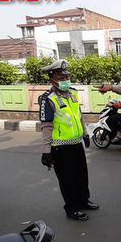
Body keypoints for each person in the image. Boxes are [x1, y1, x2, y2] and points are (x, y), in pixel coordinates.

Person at [39, 59, 98, 221]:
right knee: (67, 180)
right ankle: (72, 208)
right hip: (60, 147)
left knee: (81, 175)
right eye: (61, 78)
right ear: (52, 80)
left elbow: (79, 116)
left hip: (76, 144)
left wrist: (85, 134)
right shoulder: (47, 99)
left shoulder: (73, 93)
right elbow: (46, 126)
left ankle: (83, 201)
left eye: (66, 77)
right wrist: (46, 152)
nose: (65, 80)